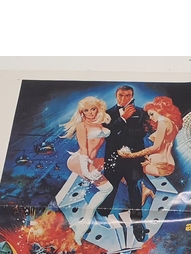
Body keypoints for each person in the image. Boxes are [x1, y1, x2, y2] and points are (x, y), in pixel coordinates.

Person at [61, 96, 112, 245]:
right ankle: (82, 229)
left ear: (98, 109)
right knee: (107, 188)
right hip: (79, 160)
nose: (90, 113)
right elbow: (84, 149)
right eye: (86, 110)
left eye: (93, 109)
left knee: (115, 165)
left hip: (91, 161)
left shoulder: (100, 123)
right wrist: (86, 170)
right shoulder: (82, 125)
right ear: (82, 112)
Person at [118, 96, 183, 204]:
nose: (151, 118)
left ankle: (145, 187)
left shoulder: (162, 121)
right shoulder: (174, 125)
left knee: (123, 168)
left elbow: (156, 147)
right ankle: (145, 187)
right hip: (168, 164)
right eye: (149, 115)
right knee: (129, 166)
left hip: (158, 165)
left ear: (160, 111)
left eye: (152, 114)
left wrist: (132, 155)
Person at [98, 85, 148, 221]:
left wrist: (119, 131)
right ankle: (102, 216)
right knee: (110, 188)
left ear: (132, 97)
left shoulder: (141, 112)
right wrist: (123, 119)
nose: (124, 98)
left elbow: (140, 134)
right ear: (116, 96)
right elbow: (108, 135)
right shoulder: (107, 114)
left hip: (134, 159)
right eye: (121, 95)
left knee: (135, 188)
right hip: (113, 159)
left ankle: (137, 220)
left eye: (127, 95)